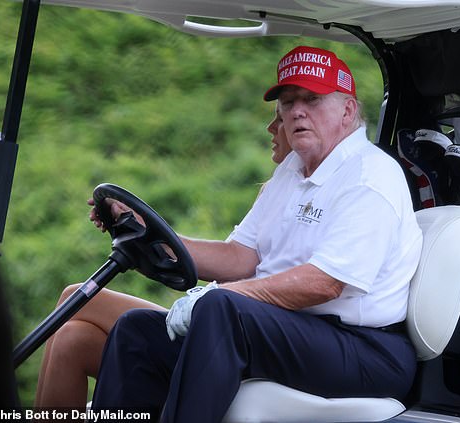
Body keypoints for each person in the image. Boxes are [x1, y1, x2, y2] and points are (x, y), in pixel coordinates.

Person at [90, 45, 423, 423]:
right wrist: (151, 233)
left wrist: (217, 295)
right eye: (288, 101)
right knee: (136, 333)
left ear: (347, 111)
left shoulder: (369, 176)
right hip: (298, 330)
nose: (296, 111)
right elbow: (240, 257)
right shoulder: (294, 170)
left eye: (312, 100)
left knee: (222, 308)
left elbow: (325, 284)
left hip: (367, 349)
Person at [33, 108, 290, 410]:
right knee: (72, 340)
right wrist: (138, 229)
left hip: (234, 333)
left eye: (281, 119)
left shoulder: (324, 197)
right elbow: (231, 259)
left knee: (74, 298)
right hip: (213, 315)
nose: (271, 127)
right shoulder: (278, 189)